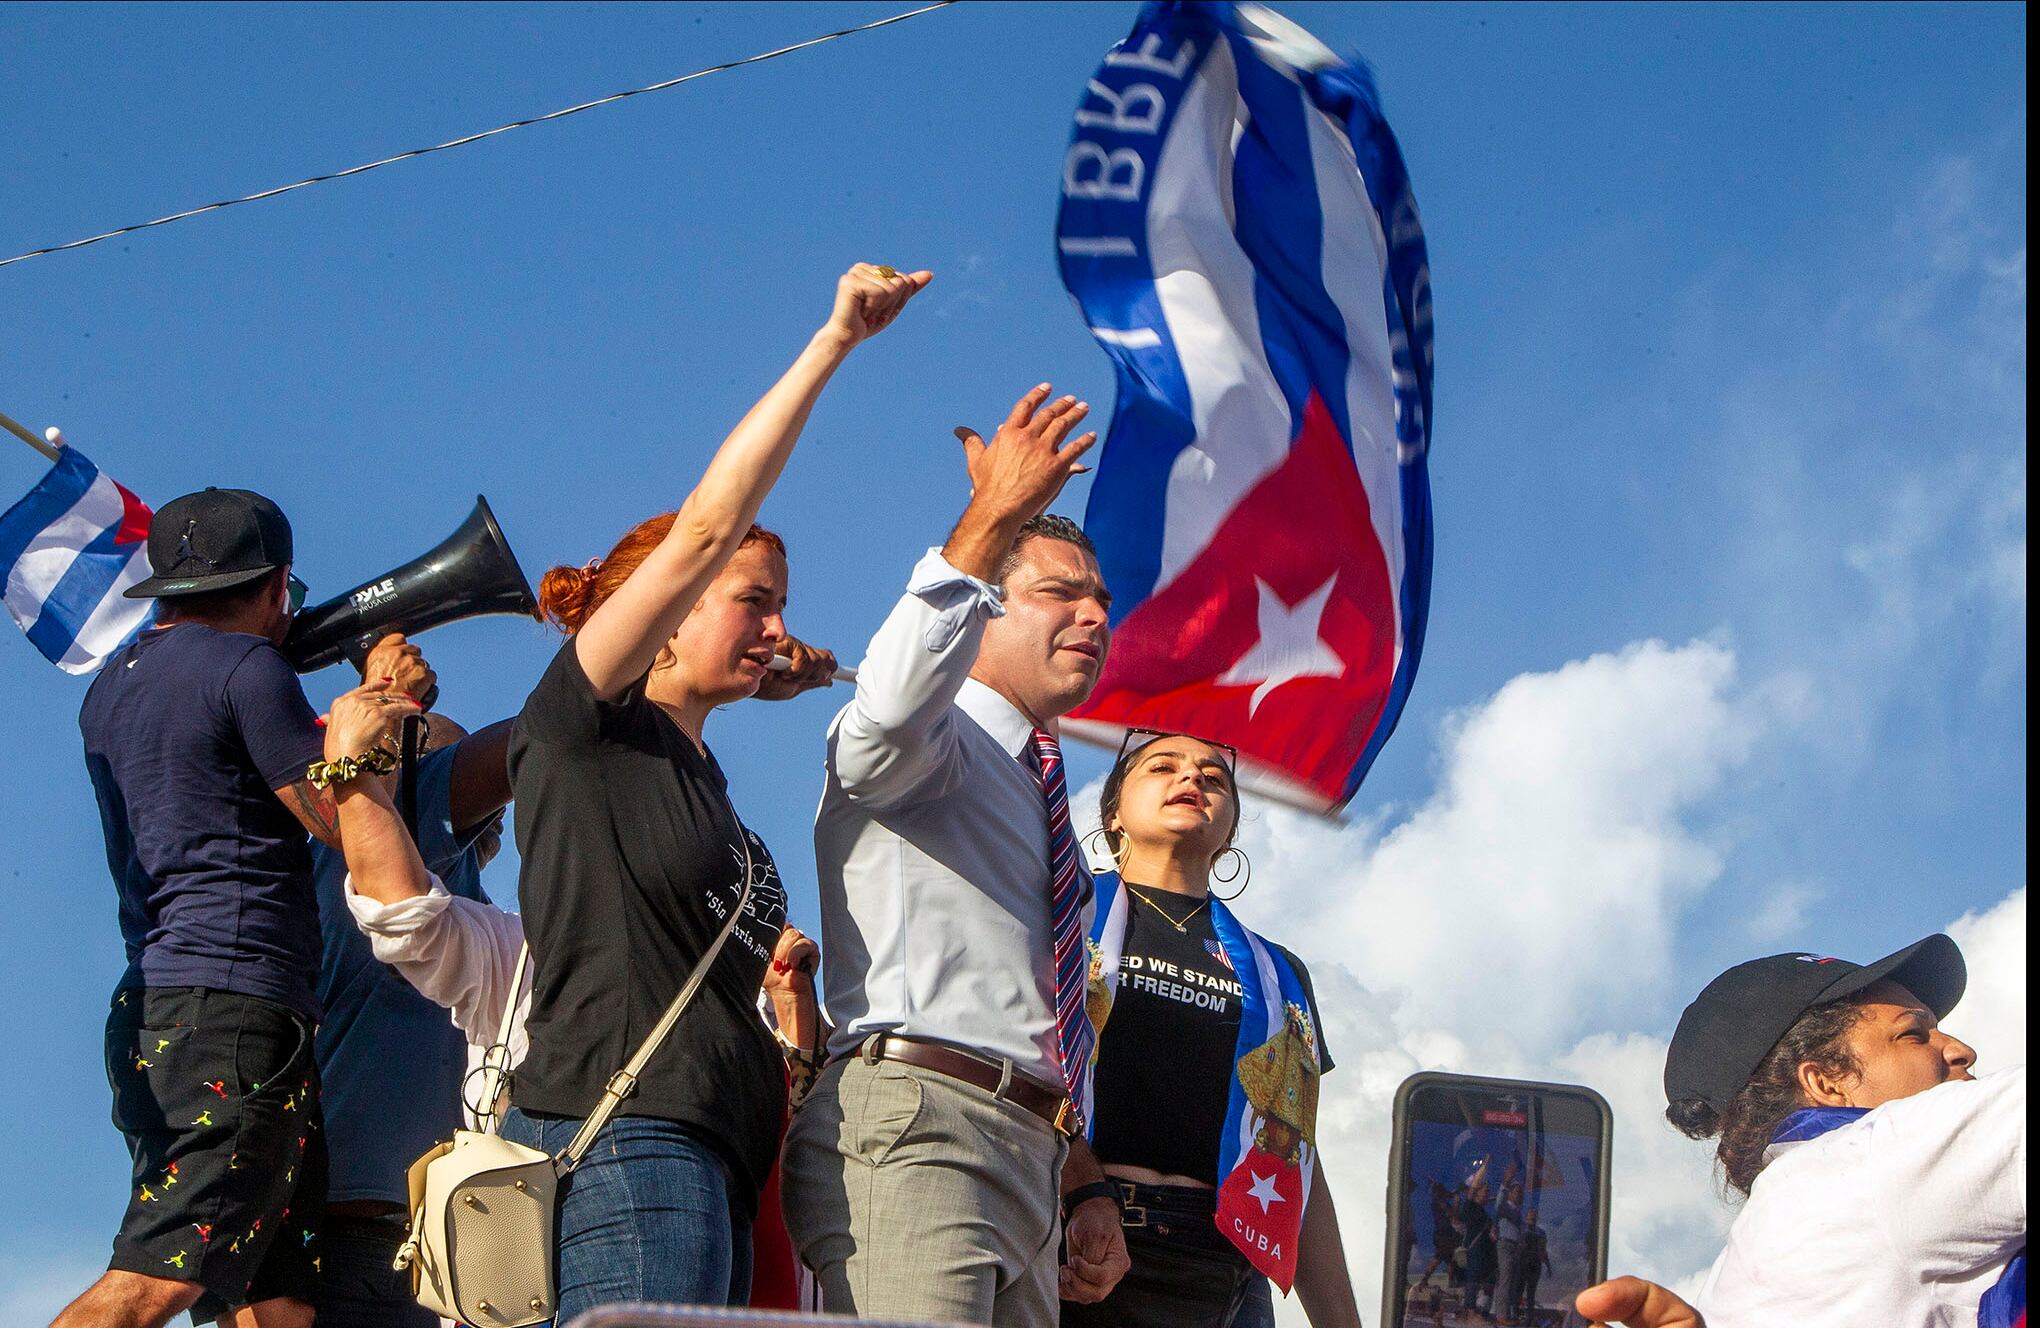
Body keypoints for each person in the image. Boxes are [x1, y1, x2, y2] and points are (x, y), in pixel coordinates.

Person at [495, 260, 924, 1323]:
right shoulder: (581, 724)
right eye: (753, 599)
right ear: (669, 609)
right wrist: (835, 342)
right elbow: (703, 527)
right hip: (634, 1140)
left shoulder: (707, 788)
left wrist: (799, 664)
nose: (774, 622)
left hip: (716, 1160)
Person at [781, 382, 1124, 1328]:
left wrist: (1082, 1182)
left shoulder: (1039, 787)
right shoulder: (923, 745)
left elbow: (1033, 1020)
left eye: (1102, 599)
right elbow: (891, 705)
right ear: (981, 611)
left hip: (1031, 1158)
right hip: (920, 1127)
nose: (1095, 616)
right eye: (1060, 592)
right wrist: (987, 519)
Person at [58, 487, 369, 1328]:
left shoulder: (110, 692)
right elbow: (344, 826)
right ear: (277, 587)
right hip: (234, 1012)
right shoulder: (249, 669)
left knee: (274, 1305)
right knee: (155, 1283)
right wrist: (375, 712)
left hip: (165, 1009)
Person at [1063, 731, 1363, 1328]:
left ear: (1228, 833)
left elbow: (1295, 1155)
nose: (1192, 780)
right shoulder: (1065, 917)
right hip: (1078, 1231)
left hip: (1228, 1260)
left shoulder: (1278, 975)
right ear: (1114, 813)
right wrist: (1080, 1191)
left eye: (1214, 777)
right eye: (1162, 767)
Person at [307, 644, 514, 1328]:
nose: (483, 804)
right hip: (340, 1239)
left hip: (425, 1247)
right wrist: (392, 707)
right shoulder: (365, 870)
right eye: (443, 769)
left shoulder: (473, 914)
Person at [1663, 934, 2024, 1327]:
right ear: (1827, 1082)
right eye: (1913, 1035)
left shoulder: (1729, 1278)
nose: (1960, 1049)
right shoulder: (1873, 1163)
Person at [1506, 1207, 1552, 1324]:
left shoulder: (1541, 1232)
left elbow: (1543, 1251)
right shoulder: (1521, 1228)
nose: (1532, 1217)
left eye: (1534, 1215)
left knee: (1531, 1292)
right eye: (1530, 1215)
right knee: (1518, 1290)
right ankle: (1514, 1316)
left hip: (1534, 1263)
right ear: (1526, 1217)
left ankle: (1529, 1319)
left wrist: (1548, 1266)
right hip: (1522, 1262)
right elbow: (1516, 1247)